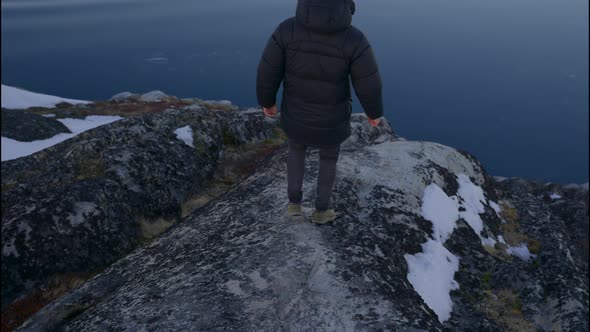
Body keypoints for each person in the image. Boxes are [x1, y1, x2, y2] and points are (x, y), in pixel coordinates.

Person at [256, 0, 383, 224]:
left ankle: (294, 204)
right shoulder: (354, 39)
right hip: (331, 118)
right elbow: (367, 82)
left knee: (296, 150)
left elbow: (268, 69)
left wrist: (267, 102)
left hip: (295, 114)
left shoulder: (286, 29)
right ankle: (322, 211)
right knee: (328, 158)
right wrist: (374, 113)